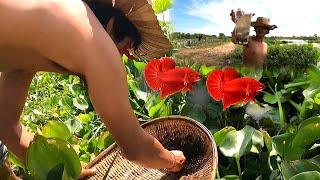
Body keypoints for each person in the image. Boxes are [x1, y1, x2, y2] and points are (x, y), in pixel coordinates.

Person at [0, 0, 185, 179]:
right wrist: (172, 160)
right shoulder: (97, 43)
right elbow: (135, 148)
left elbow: (7, 127)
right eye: (125, 47)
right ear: (111, 25)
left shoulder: (40, 34)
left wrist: (68, 168)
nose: (121, 57)